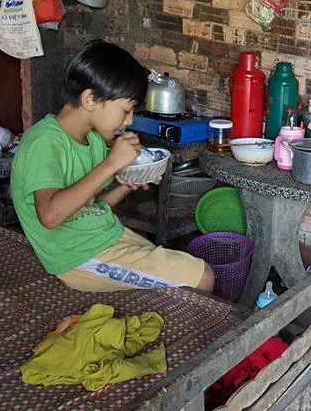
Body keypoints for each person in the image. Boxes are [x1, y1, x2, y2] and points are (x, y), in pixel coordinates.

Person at [11, 39, 214, 293]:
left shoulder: (93, 140)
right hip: (77, 256)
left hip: (103, 237)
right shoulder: (44, 142)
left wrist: (127, 185)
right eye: (126, 110)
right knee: (203, 277)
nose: (129, 121)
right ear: (90, 99)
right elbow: (50, 216)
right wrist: (110, 164)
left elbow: (91, 207)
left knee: (176, 269)